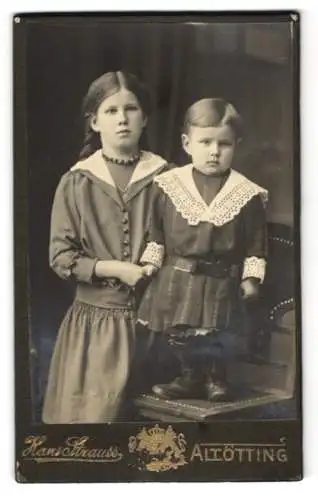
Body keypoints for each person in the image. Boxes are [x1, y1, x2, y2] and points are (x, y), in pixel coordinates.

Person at [42, 71, 167, 423]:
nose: (122, 118)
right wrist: (116, 269)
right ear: (94, 121)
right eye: (111, 111)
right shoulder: (77, 182)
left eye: (131, 108)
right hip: (94, 332)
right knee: (93, 436)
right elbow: (60, 256)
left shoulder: (167, 178)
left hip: (155, 329)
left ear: (144, 118)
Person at [137, 98, 268, 401]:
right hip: (177, 278)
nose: (214, 151)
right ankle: (189, 377)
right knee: (179, 333)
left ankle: (216, 378)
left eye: (224, 144)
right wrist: (150, 266)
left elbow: (255, 245)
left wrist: (251, 278)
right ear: (187, 143)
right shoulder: (168, 185)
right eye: (205, 142)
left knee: (217, 333)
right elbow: (155, 234)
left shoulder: (246, 194)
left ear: (236, 145)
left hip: (220, 279)